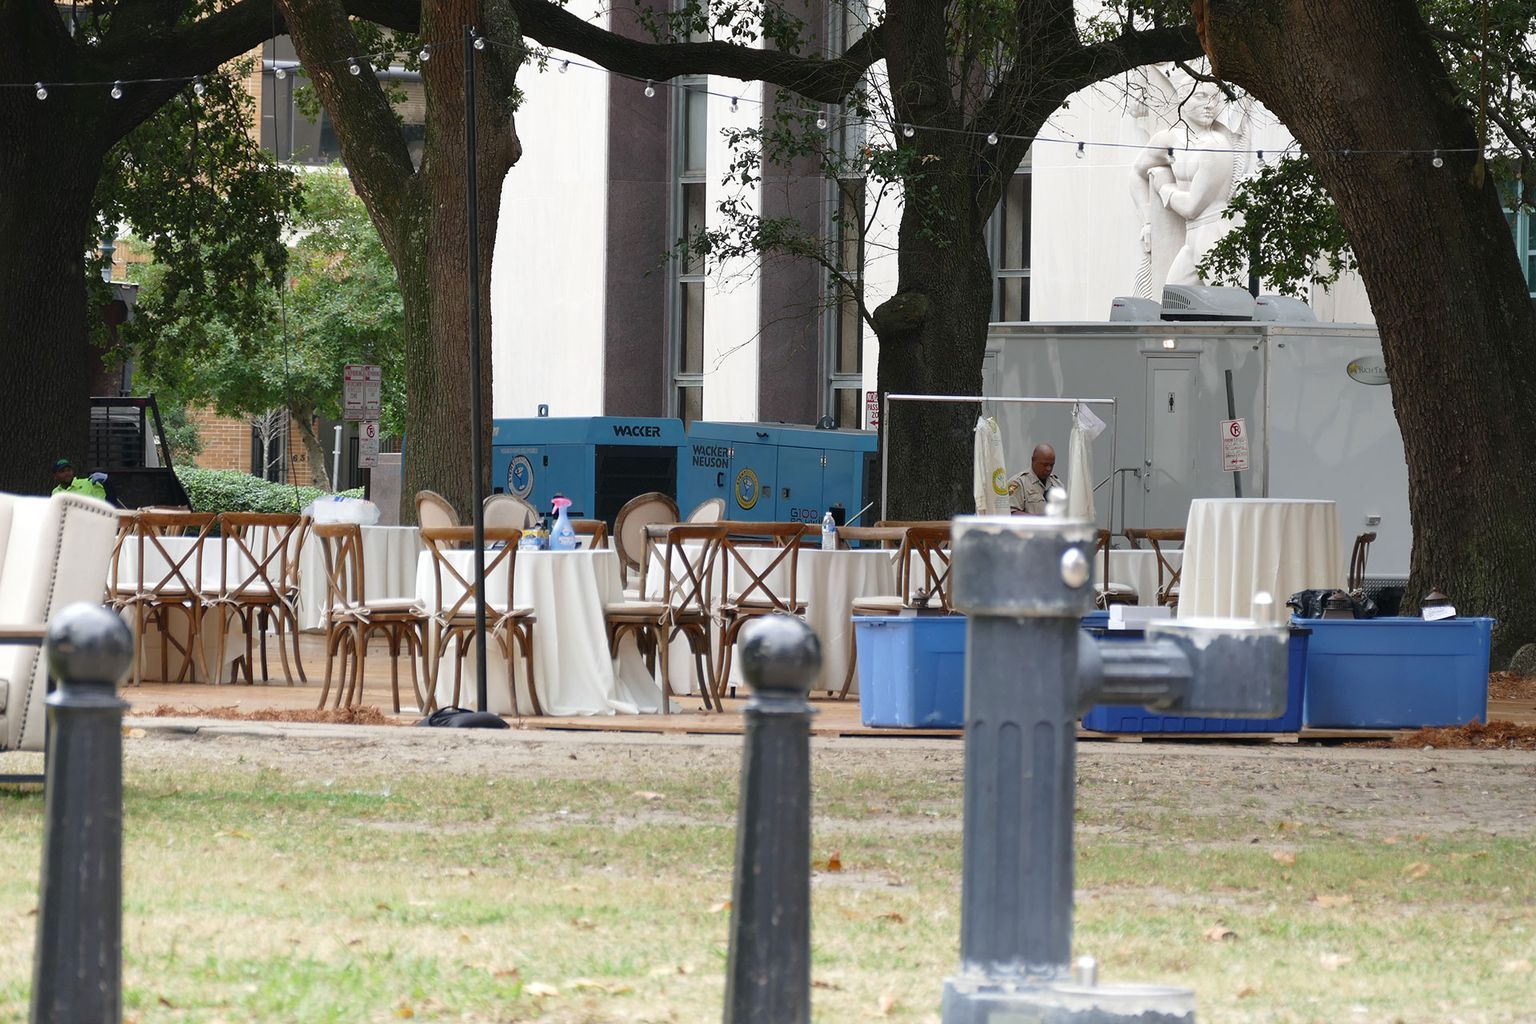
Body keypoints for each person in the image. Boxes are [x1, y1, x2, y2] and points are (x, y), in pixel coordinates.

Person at [1129, 80, 1239, 291]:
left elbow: (1191, 208)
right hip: (1192, 236)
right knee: (1172, 299)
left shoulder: (1217, 145)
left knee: (1228, 301)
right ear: (1182, 98)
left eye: (1214, 98)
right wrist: (1147, 222)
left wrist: (1164, 188)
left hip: (1213, 231)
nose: (1209, 104)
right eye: (1201, 96)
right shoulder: (1170, 140)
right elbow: (1136, 173)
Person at [1008, 444, 1063, 515]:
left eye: (1051, 465)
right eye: (1045, 464)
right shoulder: (1019, 483)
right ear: (1033, 460)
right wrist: (1039, 519)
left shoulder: (1057, 484)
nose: (1048, 469)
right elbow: (1011, 513)